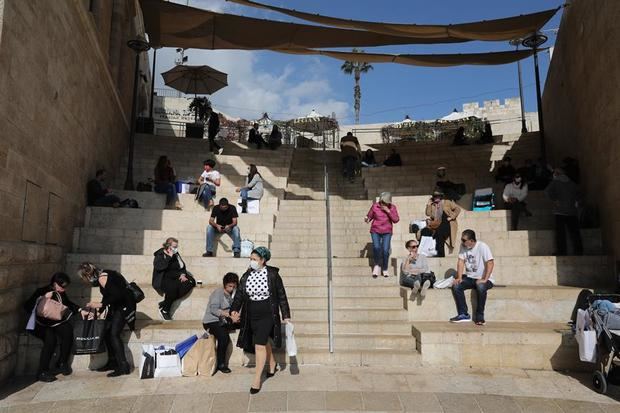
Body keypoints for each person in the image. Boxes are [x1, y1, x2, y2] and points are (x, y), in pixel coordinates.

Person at [229, 247, 291, 394]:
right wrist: (234, 309)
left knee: (259, 345)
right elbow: (239, 296)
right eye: (251, 259)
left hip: (267, 313)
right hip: (251, 314)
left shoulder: (273, 275)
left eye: (255, 259)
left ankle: (257, 379)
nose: (252, 262)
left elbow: (281, 295)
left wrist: (286, 314)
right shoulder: (246, 275)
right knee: (262, 341)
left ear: (263, 260)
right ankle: (272, 363)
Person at [77, 262, 136, 377]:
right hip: (118, 306)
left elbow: (118, 295)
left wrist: (99, 304)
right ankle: (112, 362)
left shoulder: (102, 278)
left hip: (123, 307)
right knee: (107, 332)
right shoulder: (105, 274)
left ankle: (123, 366)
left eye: (85, 278)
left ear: (88, 275)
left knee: (114, 334)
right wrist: (101, 309)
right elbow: (109, 294)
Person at [23, 272, 84, 382]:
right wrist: (42, 298)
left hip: (55, 322)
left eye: (65, 287)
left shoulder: (60, 293)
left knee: (68, 331)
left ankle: (62, 362)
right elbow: (27, 307)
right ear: (55, 283)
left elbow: (67, 303)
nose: (64, 289)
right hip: (39, 324)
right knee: (50, 339)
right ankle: (42, 371)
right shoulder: (41, 291)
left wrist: (80, 310)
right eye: (62, 286)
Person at [450, 230, 495, 325]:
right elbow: (461, 261)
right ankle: (463, 314)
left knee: (481, 287)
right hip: (470, 278)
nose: (462, 242)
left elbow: (490, 263)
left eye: (464, 240)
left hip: (485, 278)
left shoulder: (482, 246)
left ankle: (480, 316)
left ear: (471, 240)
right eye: (461, 239)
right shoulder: (463, 246)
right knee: (456, 286)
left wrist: (485, 279)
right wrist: (459, 277)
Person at [203, 272, 239, 374]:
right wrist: (229, 315)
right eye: (229, 286)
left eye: (233, 286)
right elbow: (213, 309)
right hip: (211, 321)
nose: (231, 288)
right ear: (225, 284)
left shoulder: (234, 294)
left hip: (225, 320)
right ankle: (221, 364)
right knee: (224, 337)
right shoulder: (218, 293)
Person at [152, 237, 196, 321]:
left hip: (176, 276)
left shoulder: (176, 254)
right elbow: (159, 267)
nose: (176, 249)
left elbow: (182, 265)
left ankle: (165, 302)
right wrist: (169, 257)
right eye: (174, 247)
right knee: (173, 288)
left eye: (176, 247)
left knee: (191, 281)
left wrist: (182, 274)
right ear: (168, 246)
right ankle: (165, 310)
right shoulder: (160, 254)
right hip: (163, 278)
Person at [545, 167, 583, 256]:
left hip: (560, 212)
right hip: (572, 212)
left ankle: (562, 251)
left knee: (560, 234)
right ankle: (579, 251)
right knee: (575, 233)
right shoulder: (572, 183)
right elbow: (579, 195)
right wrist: (576, 202)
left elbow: (547, 192)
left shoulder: (555, 182)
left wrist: (554, 199)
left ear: (557, 174)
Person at [365, 192, 400, 278]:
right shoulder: (375, 206)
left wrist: (388, 211)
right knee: (376, 247)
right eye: (383, 202)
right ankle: (376, 265)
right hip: (375, 230)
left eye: (386, 202)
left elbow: (396, 220)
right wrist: (367, 219)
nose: (384, 204)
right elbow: (369, 216)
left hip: (387, 231)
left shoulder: (392, 207)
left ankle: (384, 268)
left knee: (385, 250)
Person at [424, 190, 461, 257]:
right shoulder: (433, 205)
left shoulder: (447, 202)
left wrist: (452, 217)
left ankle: (440, 254)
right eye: (435, 196)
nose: (436, 198)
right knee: (428, 232)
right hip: (437, 224)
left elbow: (457, 209)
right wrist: (428, 204)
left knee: (439, 233)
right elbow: (427, 213)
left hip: (447, 223)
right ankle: (432, 252)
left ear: (441, 197)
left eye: (438, 196)